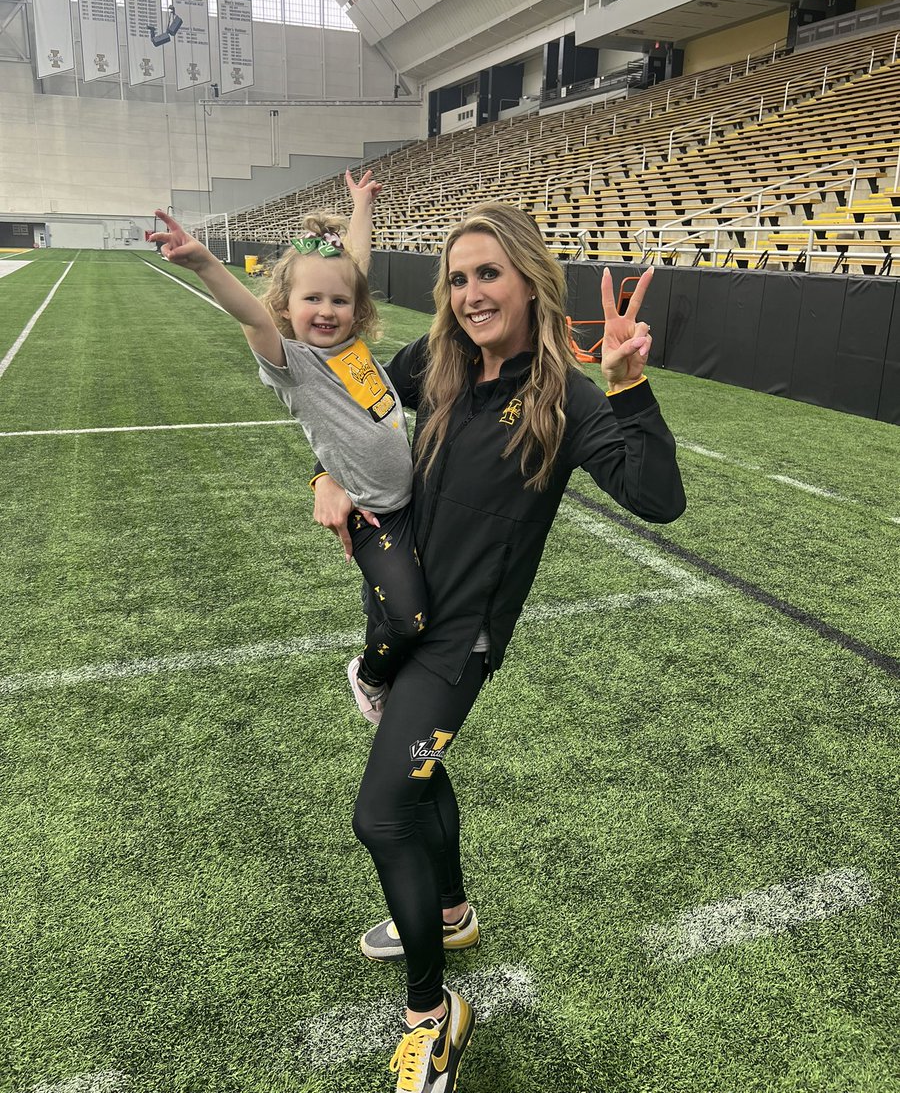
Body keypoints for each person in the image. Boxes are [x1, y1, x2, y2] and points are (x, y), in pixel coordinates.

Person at [312, 202, 686, 1093]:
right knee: (414, 774)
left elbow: (658, 497)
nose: (472, 293)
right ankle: (447, 912)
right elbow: (348, 411)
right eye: (459, 276)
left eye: (489, 273)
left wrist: (631, 386)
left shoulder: (564, 394)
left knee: (382, 814)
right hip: (400, 618)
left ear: (528, 279)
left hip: (457, 646)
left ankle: (433, 1018)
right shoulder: (432, 363)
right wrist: (323, 472)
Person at [149, 171, 427, 723]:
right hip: (375, 517)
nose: (326, 310)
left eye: (338, 301)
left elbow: (356, 269)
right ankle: (368, 678)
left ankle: (391, 672)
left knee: (389, 608)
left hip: (412, 504)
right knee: (411, 618)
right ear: (285, 303)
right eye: (311, 299)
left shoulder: (351, 345)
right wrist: (205, 263)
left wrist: (360, 206)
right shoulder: (294, 364)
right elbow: (250, 316)